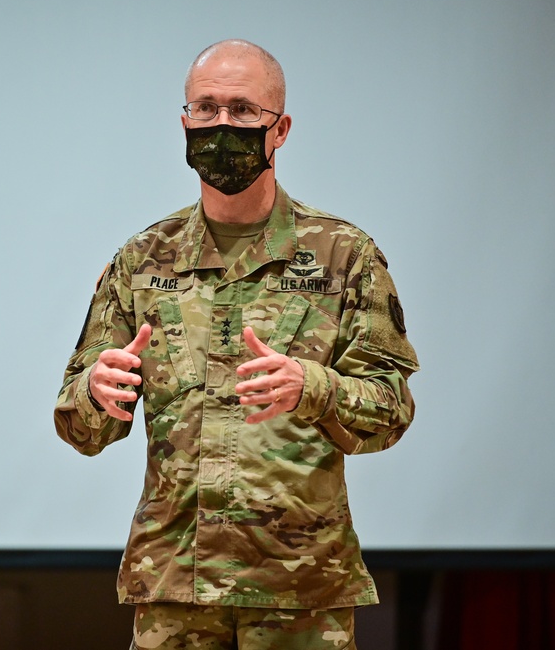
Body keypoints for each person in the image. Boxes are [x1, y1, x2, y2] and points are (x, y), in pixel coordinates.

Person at [54, 39, 418, 650]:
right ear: (185, 122)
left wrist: (314, 388)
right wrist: (94, 393)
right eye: (207, 108)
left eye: (244, 111)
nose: (223, 124)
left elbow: (391, 411)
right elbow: (79, 427)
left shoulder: (342, 255)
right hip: (174, 588)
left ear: (280, 130)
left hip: (299, 592)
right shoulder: (142, 259)